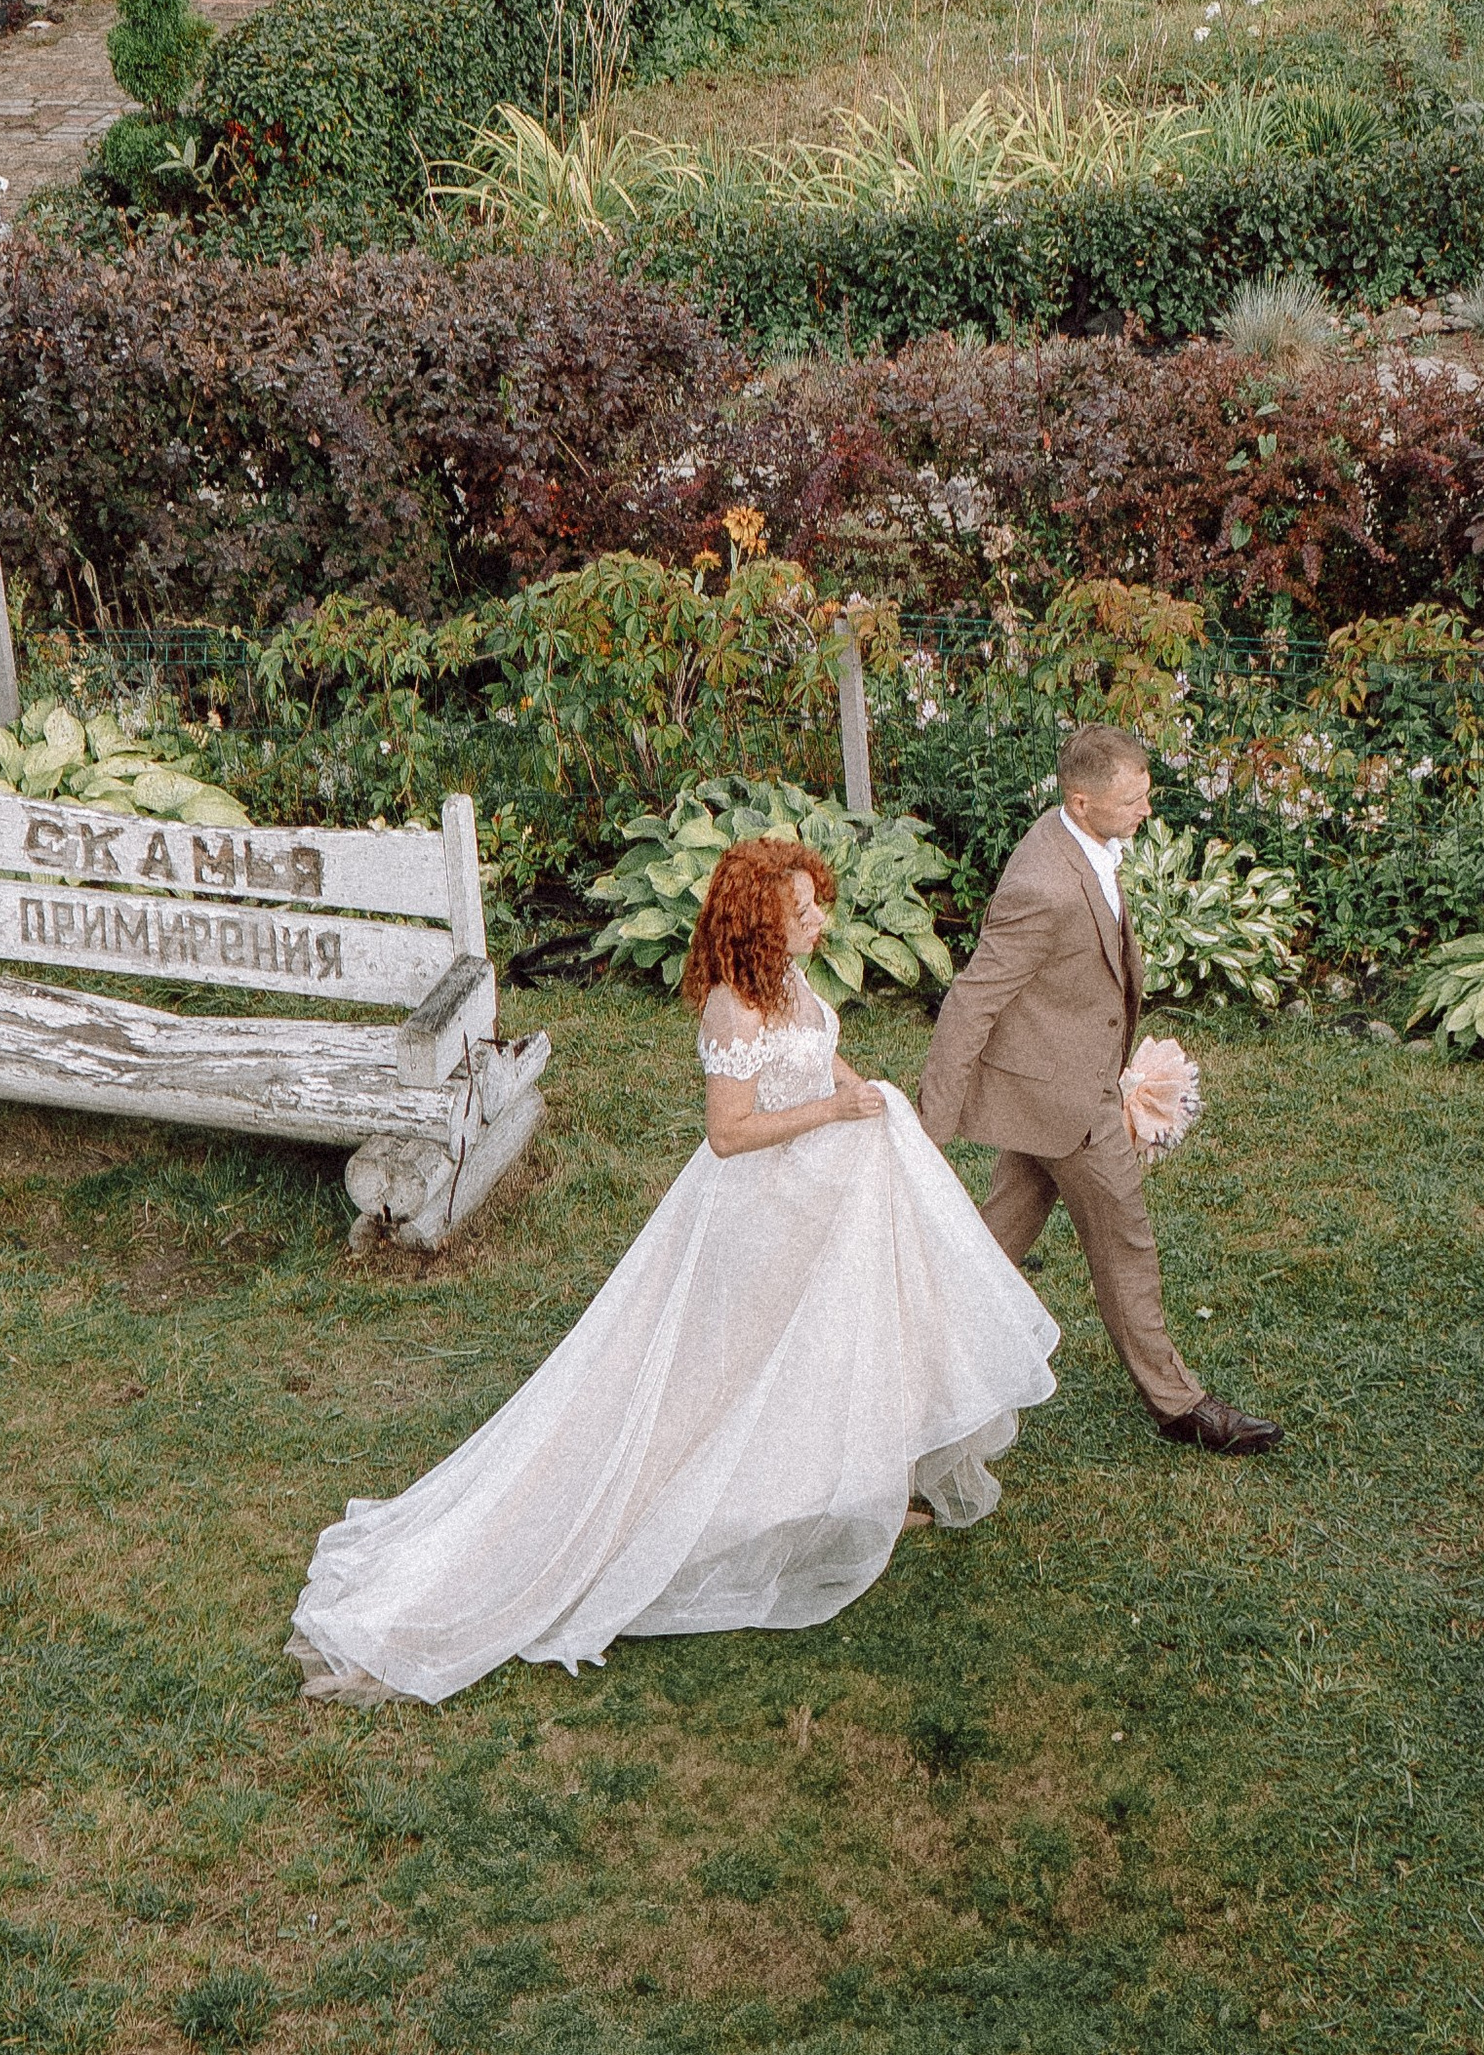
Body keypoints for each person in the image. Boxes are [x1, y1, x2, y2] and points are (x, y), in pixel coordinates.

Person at [287, 833, 1060, 1706]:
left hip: (815, 1200)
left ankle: (846, 1497)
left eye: (818, 905)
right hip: (758, 1215)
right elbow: (727, 1135)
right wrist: (832, 1109)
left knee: (821, 1353)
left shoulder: (791, 985)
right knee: (720, 1379)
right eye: (800, 911)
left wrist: (861, 1097)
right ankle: (628, 1533)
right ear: (758, 925)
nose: (819, 921)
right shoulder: (733, 1010)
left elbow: (816, 1056)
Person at [919, 722, 1277, 1454]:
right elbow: (972, 1000)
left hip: (1052, 1091)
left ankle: (908, 1349)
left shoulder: (1079, 843)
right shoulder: (1042, 884)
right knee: (1126, 1241)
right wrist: (931, 1127)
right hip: (1068, 1105)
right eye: (1133, 801)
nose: (1146, 811)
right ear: (1081, 802)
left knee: (991, 1245)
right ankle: (1181, 1405)